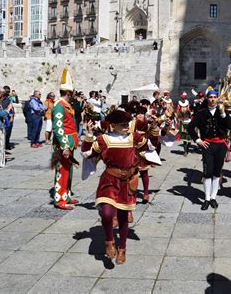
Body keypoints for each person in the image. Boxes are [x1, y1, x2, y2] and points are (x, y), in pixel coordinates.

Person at [81, 109, 159, 264]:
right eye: (123, 124)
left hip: (127, 181)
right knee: (107, 213)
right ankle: (109, 241)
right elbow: (87, 153)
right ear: (113, 125)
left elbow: (150, 146)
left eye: (127, 124)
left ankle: (122, 248)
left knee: (123, 217)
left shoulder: (134, 137)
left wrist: (155, 130)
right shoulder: (104, 140)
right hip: (109, 180)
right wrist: (88, 136)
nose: (126, 127)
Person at [187, 90, 231, 210]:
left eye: (214, 97)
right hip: (207, 145)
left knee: (217, 172)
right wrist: (198, 140)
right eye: (210, 97)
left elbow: (230, 126)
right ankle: (206, 198)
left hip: (220, 145)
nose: (213, 99)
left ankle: (213, 197)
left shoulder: (222, 112)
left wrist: (223, 114)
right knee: (207, 172)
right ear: (207, 98)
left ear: (217, 98)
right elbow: (190, 127)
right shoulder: (201, 113)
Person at [52, 68, 79, 210]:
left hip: (70, 143)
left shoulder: (67, 105)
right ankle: (60, 199)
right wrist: (64, 146)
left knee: (68, 171)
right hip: (64, 145)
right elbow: (58, 128)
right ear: (69, 93)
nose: (74, 94)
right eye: (73, 92)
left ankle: (66, 195)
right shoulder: (59, 106)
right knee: (62, 171)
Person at [175, 92, 192, 156]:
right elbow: (178, 111)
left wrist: (189, 114)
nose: (183, 99)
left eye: (184, 98)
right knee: (184, 140)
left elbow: (188, 109)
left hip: (188, 118)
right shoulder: (179, 104)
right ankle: (185, 151)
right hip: (182, 118)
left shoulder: (187, 103)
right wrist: (179, 117)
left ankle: (187, 149)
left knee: (189, 141)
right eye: (182, 98)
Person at [0, 91, 10, 167]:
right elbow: (2, 114)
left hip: (1, 126)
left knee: (1, 145)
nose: (0, 99)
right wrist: (7, 109)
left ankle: (0, 161)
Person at [1, 86, 14, 150]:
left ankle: (6, 144)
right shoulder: (0, 100)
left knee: (8, 132)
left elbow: (11, 109)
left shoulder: (8, 100)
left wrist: (12, 117)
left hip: (7, 118)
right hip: (1, 118)